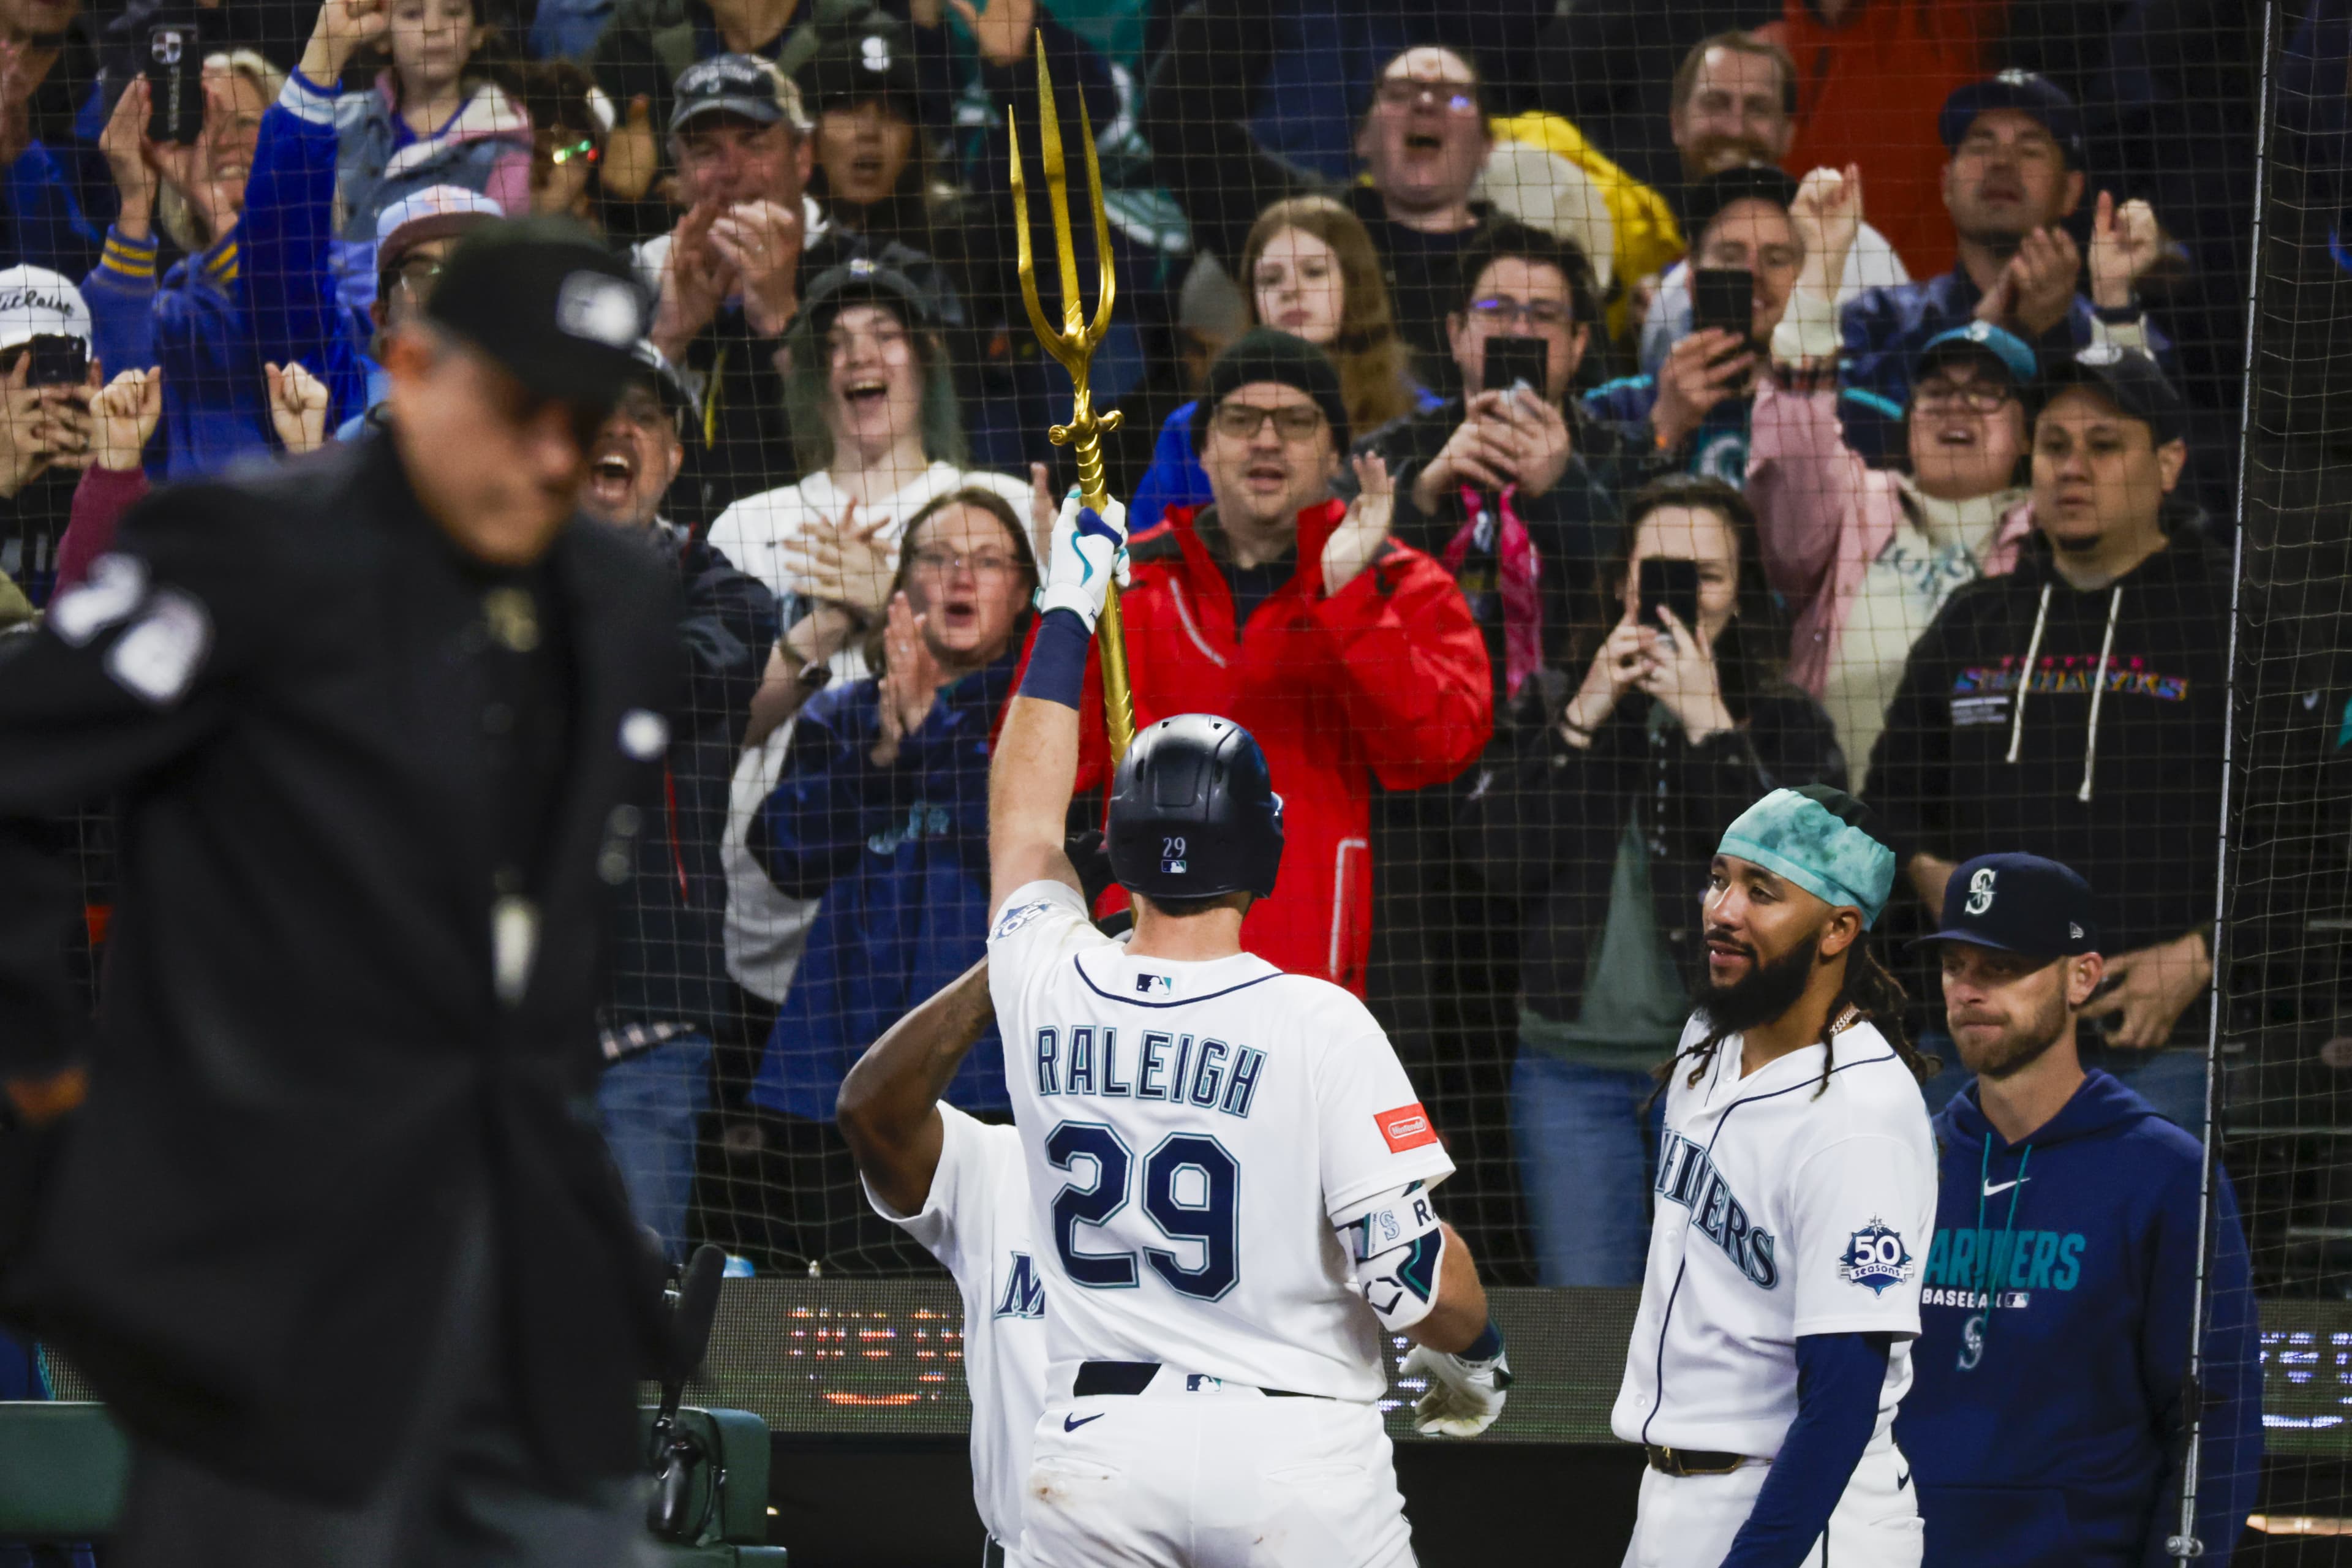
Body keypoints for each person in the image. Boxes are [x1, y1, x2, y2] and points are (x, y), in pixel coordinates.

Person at [0, 216, 671, 1565]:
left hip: (523, 1279)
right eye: (520, 408)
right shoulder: (244, 552)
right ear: (411, 369)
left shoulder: (609, 584)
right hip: (272, 1278)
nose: (558, 455)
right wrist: (46, 1088)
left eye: (584, 420)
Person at [985, 492, 1512, 1566]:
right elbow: (1410, 1280)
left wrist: (1067, 602)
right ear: (1267, 856)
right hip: (1294, 1453)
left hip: (1094, 1450)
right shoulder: (1320, 1021)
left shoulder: (1047, 979)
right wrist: (1479, 1347)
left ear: (1122, 849)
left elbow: (1025, 820)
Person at [1466, 476, 1844, 1286]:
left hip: (1730, 1069)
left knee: (1725, 1312)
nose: (1680, 593)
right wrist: (1583, 717)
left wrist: (1708, 724)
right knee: (1589, 1318)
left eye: (1704, 576)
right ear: (1620, 581)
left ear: (1740, 594)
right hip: (1568, 1073)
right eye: (1659, 571)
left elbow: (1807, 886)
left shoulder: (1784, 722)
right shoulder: (1555, 701)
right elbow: (1496, 861)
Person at [1064, 328, 1493, 996]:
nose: (1266, 440)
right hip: (1138, 978)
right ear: (1202, 447)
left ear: (1336, 452)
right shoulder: (1126, 586)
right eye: (1239, 420)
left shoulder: (1399, 584)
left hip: (1324, 994)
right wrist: (1061, 609)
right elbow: (1050, 765)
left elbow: (1439, 747)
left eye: (1296, 420)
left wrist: (1346, 597)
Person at [1867, 348, 2225, 1131]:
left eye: (2104, 445)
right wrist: (1936, 879)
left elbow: (2301, 826)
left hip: (2153, 1048)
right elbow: (1889, 800)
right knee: (1949, 1256)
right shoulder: (1973, 619)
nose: (2072, 467)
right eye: (2055, 445)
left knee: (2127, 1259)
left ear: (2168, 464)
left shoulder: (2228, 622)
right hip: (1973, 1042)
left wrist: (2203, 953)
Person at [1898, 853, 2263, 1568]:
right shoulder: (1898, 1164)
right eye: (1956, 966)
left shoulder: (2167, 1175)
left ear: (2083, 976)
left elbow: (2218, 1418)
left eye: (2002, 968)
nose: (1969, 990)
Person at [1613, 784, 1936, 1567]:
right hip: (1673, 1500)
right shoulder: (1707, 1038)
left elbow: (1840, 1403)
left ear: (1838, 929)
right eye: (1720, 878)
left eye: (1763, 893)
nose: (1723, 909)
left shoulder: (1857, 1118)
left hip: (1802, 1520)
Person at [703, 259, 1029, 1028]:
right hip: (773, 915)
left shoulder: (999, 508)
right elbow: (722, 728)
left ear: (926, 359)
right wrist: (833, 621)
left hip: (947, 906)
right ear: (813, 376)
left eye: (886, 335)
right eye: (837, 342)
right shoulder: (747, 525)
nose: (861, 357)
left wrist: (890, 596)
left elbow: (1039, 698)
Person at [738, 484, 1038, 1270]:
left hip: (990, 1071)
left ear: (1023, 592)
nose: (961, 578)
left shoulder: (1038, 712)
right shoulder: (844, 713)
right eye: (937, 558)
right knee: (848, 1307)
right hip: (839, 1062)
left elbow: (1023, 858)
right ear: (904, 587)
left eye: (986, 561)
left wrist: (930, 731)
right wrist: (873, 762)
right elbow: (785, 855)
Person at [1746, 160, 2038, 777]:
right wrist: (1821, 270)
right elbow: (1792, 462)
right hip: (1816, 831)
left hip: (1965, 840)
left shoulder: (2047, 536)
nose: (1955, 403)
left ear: (2027, 435)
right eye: (1935, 390)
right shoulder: (1855, 500)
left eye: (1986, 391)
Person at [585, 340, 778, 1264]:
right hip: (489, 1013)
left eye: (647, 416)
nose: (617, 430)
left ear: (673, 455)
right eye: (594, 408)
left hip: (651, 1015)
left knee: (636, 1297)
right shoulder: (482, 578)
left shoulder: (730, 597)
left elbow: (681, 677)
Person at [636, 52, 951, 528]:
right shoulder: (635, 281)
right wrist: (668, 342)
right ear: (679, 175)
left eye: (754, 143)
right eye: (704, 152)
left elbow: (918, 450)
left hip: (837, 543)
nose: (731, 170)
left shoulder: (892, 280)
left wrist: (781, 320)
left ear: (803, 157)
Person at [1839, 70, 2174, 468]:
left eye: (2030, 150)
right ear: (1946, 184)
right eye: (1981, 145)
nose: (2001, 162)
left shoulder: (2114, 330)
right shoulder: (1877, 318)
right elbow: (1848, 446)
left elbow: (2151, 472)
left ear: (2070, 192)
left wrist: (2103, 305)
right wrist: (1986, 330)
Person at [835, 957, 1046, 1568]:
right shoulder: (1004, 1167)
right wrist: (1013, 954)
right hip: (1040, 1549)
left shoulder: (1243, 1183)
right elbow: (870, 1113)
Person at [1141, 32, 1495, 377]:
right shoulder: (1297, 224)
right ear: (1362, 140)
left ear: (1486, 146)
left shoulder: (1520, 262)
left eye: (1456, 98)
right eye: (1399, 94)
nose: (1425, 103)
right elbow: (1179, 113)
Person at [1131, 194, 1425, 535]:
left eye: (1314, 273)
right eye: (1270, 279)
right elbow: (1146, 561)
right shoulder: (1191, 431)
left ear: (1356, 286)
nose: (1291, 290)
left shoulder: (1418, 420)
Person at [1638, 31, 1909, 378]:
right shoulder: (1671, 298)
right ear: (1677, 123)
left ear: (1788, 133)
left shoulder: (1863, 256)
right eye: (1716, 103)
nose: (1735, 128)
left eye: (1758, 108)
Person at [83, 51, 286, 477]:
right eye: (206, 126)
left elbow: (296, 331)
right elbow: (120, 403)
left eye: (246, 123)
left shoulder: (353, 273)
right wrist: (137, 201)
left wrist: (216, 210)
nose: (224, 139)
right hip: (185, 533)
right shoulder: (174, 306)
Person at [1586, 163, 1807, 486]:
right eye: (1730, 256)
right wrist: (1660, 433)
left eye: (1775, 259)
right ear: (1691, 279)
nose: (1753, 273)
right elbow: (1585, 526)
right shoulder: (1613, 408)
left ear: (1805, 281)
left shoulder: (1842, 410)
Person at [326, 0, 532, 328]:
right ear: (383, 36)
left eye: (453, 12)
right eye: (412, 14)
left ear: (478, 33)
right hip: (332, 339)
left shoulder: (508, 150)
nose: (434, 28)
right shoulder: (337, 123)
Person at [0, 264, 95, 608]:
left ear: (92, 375)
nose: (33, 387)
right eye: (9, 363)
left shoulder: (128, 476)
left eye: (53, 363)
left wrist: (110, 480)